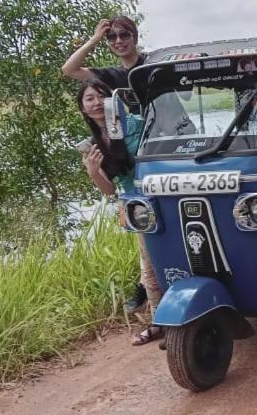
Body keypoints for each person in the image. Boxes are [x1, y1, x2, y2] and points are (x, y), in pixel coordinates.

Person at [76, 78, 163, 346]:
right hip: (135, 207)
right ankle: (160, 322)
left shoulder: (139, 124)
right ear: (83, 108)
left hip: (162, 195)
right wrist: (92, 173)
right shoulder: (90, 145)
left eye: (102, 96)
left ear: (115, 101)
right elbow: (110, 190)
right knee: (149, 266)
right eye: (89, 98)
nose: (97, 103)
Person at [62, 16, 145, 90]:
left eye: (124, 35)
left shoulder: (152, 61)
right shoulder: (112, 75)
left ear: (135, 38)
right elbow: (69, 70)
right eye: (112, 37)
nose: (118, 41)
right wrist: (94, 39)